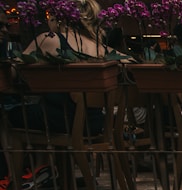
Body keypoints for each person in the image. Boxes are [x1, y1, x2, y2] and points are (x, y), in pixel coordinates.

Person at [6, 0, 131, 135]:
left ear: (58, 17)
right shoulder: (101, 49)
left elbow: (11, 72)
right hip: (95, 123)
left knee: (8, 113)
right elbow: (132, 63)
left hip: (61, 119)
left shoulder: (50, 39)